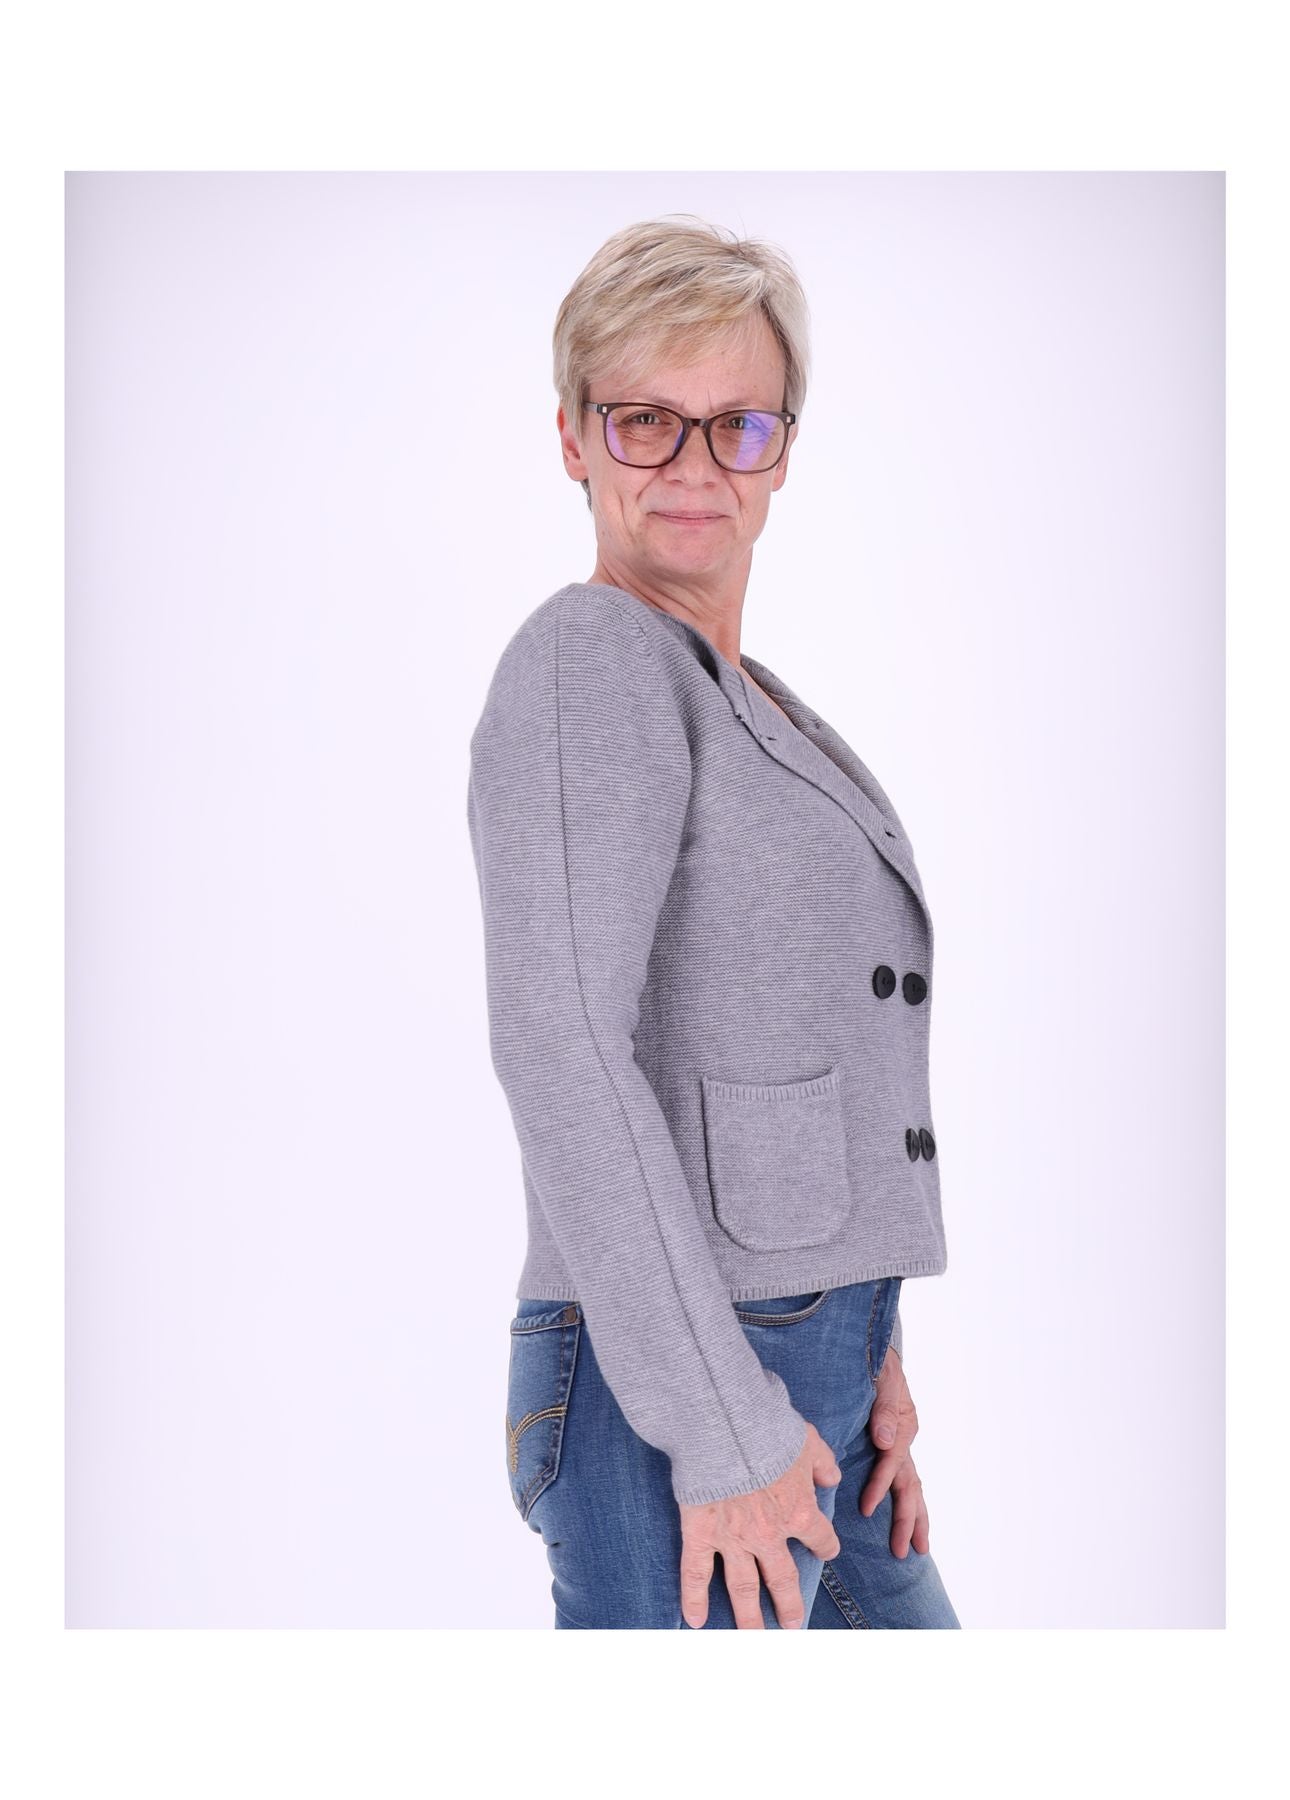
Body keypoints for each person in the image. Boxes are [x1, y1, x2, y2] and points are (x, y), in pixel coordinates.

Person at [466, 213, 960, 1630]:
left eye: (736, 425)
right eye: (645, 421)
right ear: (574, 439)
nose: (694, 466)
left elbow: (770, 1040)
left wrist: (868, 1348)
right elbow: (561, 1045)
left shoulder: (745, 697)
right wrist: (723, 1429)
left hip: (796, 1376)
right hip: (680, 1396)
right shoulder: (593, 661)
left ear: (782, 451)